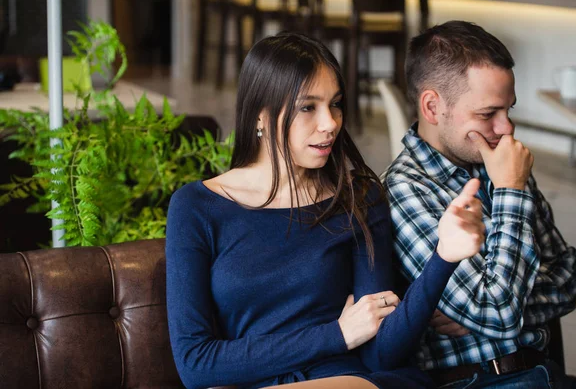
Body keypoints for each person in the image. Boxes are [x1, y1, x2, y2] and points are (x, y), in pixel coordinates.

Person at [166, 32, 485, 389]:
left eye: (335, 104)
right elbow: (195, 364)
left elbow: (379, 353)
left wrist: (444, 257)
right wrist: (336, 334)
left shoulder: (358, 196)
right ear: (260, 115)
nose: (330, 122)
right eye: (308, 107)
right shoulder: (196, 208)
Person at [383, 21, 576, 388]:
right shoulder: (404, 189)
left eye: (508, 110)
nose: (506, 128)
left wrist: (501, 310)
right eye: (488, 114)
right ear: (432, 107)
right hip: (479, 382)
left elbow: (566, 279)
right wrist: (511, 189)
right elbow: (498, 312)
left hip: (546, 375)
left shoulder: (502, 163)